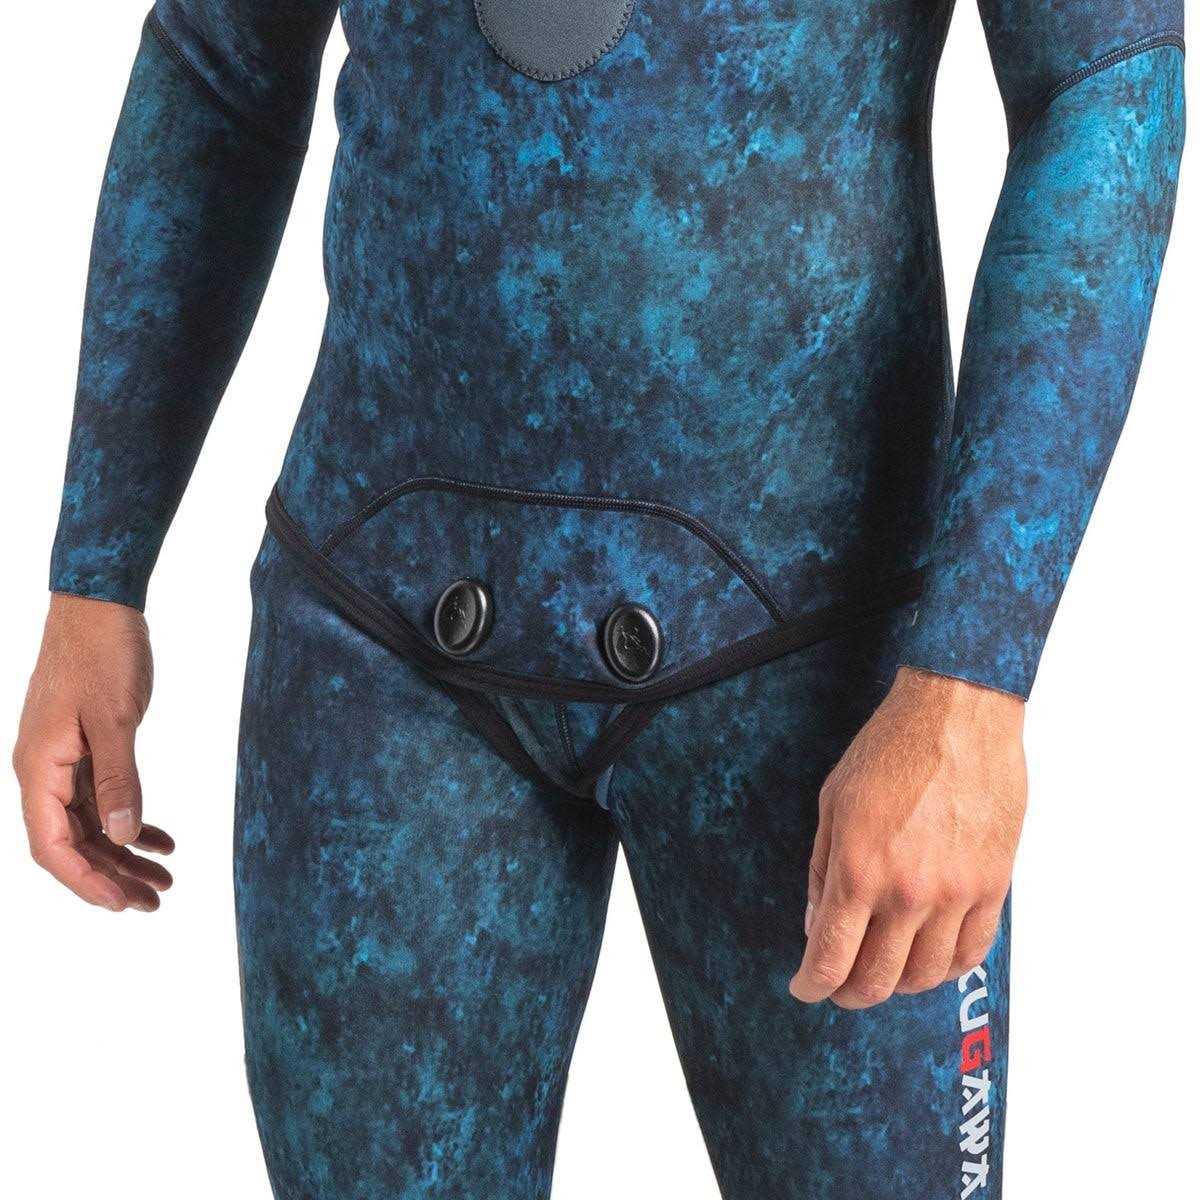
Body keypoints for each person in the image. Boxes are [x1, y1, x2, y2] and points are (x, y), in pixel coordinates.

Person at [12, 1, 1184, 1196]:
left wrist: (972, 681)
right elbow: (218, 66)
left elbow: (1102, 81)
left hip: (825, 671)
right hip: (379, 638)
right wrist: (94, 579)